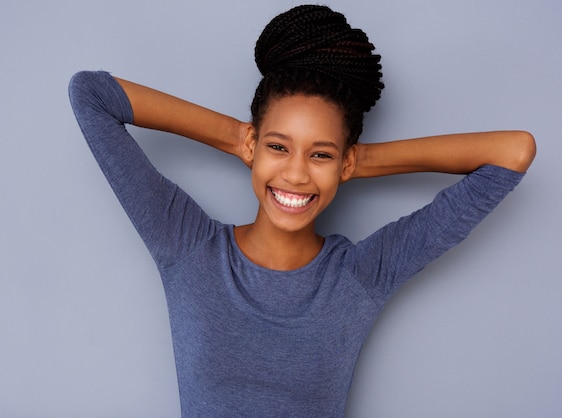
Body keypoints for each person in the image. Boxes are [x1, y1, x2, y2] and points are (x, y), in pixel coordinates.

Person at [68, 4, 535, 417]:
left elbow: (514, 152)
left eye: (321, 155)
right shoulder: (187, 247)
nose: (295, 175)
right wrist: (236, 137)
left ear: (345, 161)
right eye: (277, 146)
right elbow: (91, 95)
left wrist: (359, 160)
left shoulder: (361, 275)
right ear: (253, 143)